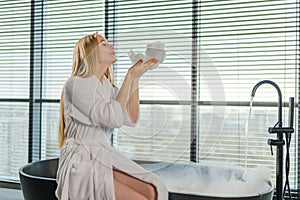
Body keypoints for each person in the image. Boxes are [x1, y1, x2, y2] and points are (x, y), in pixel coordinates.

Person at [55, 32, 169, 200]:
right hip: (83, 160)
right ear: (90, 52)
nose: (111, 46)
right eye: (104, 44)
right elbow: (112, 118)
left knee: (152, 190)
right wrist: (128, 76)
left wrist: (135, 78)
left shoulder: (108, 87)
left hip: (103, 155)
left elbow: (131, 118)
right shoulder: (76, 84)